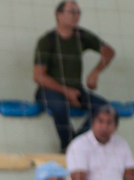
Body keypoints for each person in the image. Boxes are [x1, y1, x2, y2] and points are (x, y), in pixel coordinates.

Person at [33, 1, 115, 150]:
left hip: (76, 90)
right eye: (72, 12)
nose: (76, 16)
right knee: (60, 106)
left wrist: (95, 72)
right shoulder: (47, 41)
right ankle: (67, 147)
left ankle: (76, 143)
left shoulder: (81, 36)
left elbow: (109, 51)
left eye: (78, 12)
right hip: (49, 91)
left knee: (104, 108)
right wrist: (66, 91)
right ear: (59, 15)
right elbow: (38, 76)